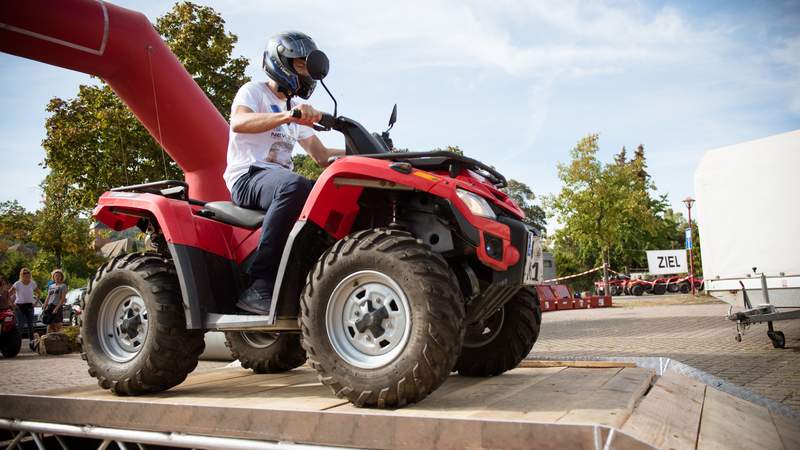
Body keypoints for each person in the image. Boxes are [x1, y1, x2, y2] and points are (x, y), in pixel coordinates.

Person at [224, 31, 344, 315]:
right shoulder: (254, 92)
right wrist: (287, 116)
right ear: (281, 62)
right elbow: (239, 122)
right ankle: (259, 283)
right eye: (300, 65)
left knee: (330, 192)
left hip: (279, 181)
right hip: (247, 177)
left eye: (308, 67)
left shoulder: (295, 109)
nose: (306, 73)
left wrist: (362, 151)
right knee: (295, 186)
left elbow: (321, 156)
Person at [9, 267, 41, 341]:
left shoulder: (32, 283)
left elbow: (39, 293)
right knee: (20, 325)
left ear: (30, 274)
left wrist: (35, 303)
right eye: (24, 273)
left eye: (27, 273)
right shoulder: (17, 284)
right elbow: (8, 294)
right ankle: (17, 343)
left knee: (31, 326)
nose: (26, 274)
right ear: (21, 274)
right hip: (19, 306)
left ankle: (32, 343)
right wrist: (12, 304)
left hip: (30, 306)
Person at [43, 269, 67, 333]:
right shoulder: (51, 286)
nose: (57, 277)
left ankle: (60, 339)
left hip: (57, 306)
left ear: (61, 277)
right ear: (53, 277)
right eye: (56, 276)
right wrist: (45, 305)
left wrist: (56, 308)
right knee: (50, 324)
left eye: (59, 276)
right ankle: (48, 339)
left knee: (58, 324)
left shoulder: (63, 286)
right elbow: (48, 296)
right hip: (50, 306)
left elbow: (62, 298)